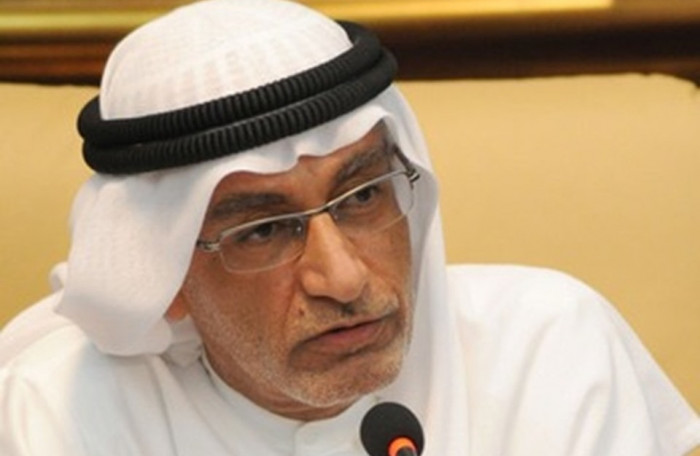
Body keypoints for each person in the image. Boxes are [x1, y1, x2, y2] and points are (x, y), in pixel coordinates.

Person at [1, 0, 699, 454]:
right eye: (263, 232)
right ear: (166, 275)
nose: (342, 277)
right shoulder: (65, 412)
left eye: (363, 196)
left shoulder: (549, 351)